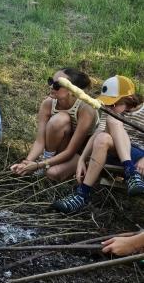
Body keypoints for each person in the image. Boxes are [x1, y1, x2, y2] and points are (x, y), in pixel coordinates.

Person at [52, 75, 144, 213]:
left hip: (137, 154)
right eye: (107, 104)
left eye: (113, 104)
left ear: (129, 99)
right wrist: (82, 159)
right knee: (103, 136)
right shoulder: (111, 111)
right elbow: (97, 135)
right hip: (114, 152)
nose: (109, 107)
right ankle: (81, 195)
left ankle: (130, 172)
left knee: (113, 120)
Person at [10, 68, 99, 181]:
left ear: (72, 90)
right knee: (59, 119)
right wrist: (27, 162)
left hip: (81, 153)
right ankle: (48, 161)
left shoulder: (86, 109)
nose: (51, 86)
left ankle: (52, 166)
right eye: (51, 81)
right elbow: (39, 141)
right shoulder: (48, 103)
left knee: (52, 174)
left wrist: (39, 165)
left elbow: (71, 150)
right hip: (61, 149)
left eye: (57, 85)